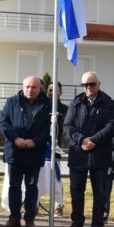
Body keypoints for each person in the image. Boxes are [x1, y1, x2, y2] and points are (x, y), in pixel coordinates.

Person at [62, 71, 114, 227]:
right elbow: (67, 126)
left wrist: (93, 140)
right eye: (85, 85)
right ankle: (77, 224)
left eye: (91, 84)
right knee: (76, 191)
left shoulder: (108, 103)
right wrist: (81, 140)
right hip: (78, 154)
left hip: (99, 155)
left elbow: (111, 126)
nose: (88, 88)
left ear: (99, 84)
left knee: (100, 192)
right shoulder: (76, 102)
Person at [0, 76, 50, 227]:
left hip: (35, 151)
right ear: (23, 86)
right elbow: (3, 123)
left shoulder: (47, 105)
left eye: (34, 87)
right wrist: (16, 139)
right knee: (14, 185)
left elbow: (50, 128)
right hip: (15, 151)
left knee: (32, 186)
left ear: (40, 88)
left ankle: (29, 218)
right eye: (27, 86)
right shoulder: (12, 102)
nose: (30, 90)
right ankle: (14, 217)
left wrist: (35, 141)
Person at [46, 82, 68, 217]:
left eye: (56, 90)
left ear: (60, 92)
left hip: (55, 148)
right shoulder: (42, 106)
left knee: (56, 178)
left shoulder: (65, 109)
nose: (52, 92)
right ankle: (34, 205)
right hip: (39, 148)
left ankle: (58, 206)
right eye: (50, 90)